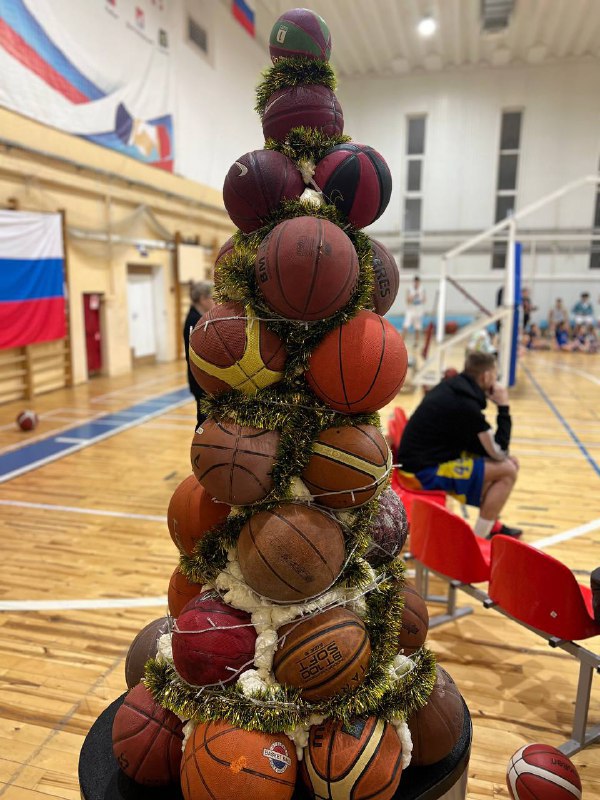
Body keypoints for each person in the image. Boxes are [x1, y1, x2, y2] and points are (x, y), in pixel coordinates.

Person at [396, 352, 521, 539]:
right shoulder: (465, 405)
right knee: (507, 470)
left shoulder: (454, 388)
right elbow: (499, 452)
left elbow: (482, 447)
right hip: (421, 472)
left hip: (425, 459)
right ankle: (478, 540)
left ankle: (491, 524)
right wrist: (503, 407)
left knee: (507, 465)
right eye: (495, 375)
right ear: (486, 376)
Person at [183, 281, 214, 429]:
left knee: (208, 419)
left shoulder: (200, 317)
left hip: (203, 379)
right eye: (212, 298)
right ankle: (201, 443)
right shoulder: (194, 321)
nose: (215, 302)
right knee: (204, 421)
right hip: (200, 379)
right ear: (202, 299)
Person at [402, 276, 426, 346]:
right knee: (406, 325)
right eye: (415, 282)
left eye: (417, 282)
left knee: (417, 327)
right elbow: (407, 300)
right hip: (410, 310)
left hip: (418, 311)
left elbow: (424, 300)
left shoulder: (422, 289)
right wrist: (413, 296)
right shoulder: (410, 289)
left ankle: (416, 342)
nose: (416, 283)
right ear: (414, 282)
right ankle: (402, 341)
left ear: (419, 282)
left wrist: (420, 298)